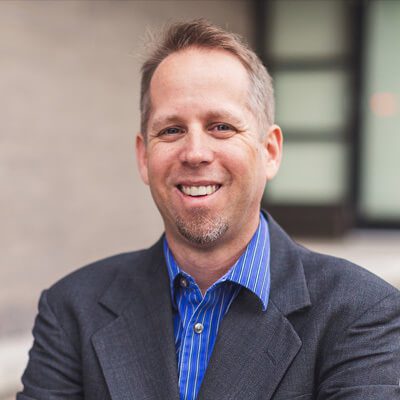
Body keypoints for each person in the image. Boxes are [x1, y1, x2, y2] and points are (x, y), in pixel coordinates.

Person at [18, 19, 400, 400]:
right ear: (143, 157)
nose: (196, 153)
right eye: (171, 130)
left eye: (220, 127)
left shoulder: (361, 312)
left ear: (270, 151)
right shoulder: (71, 310)